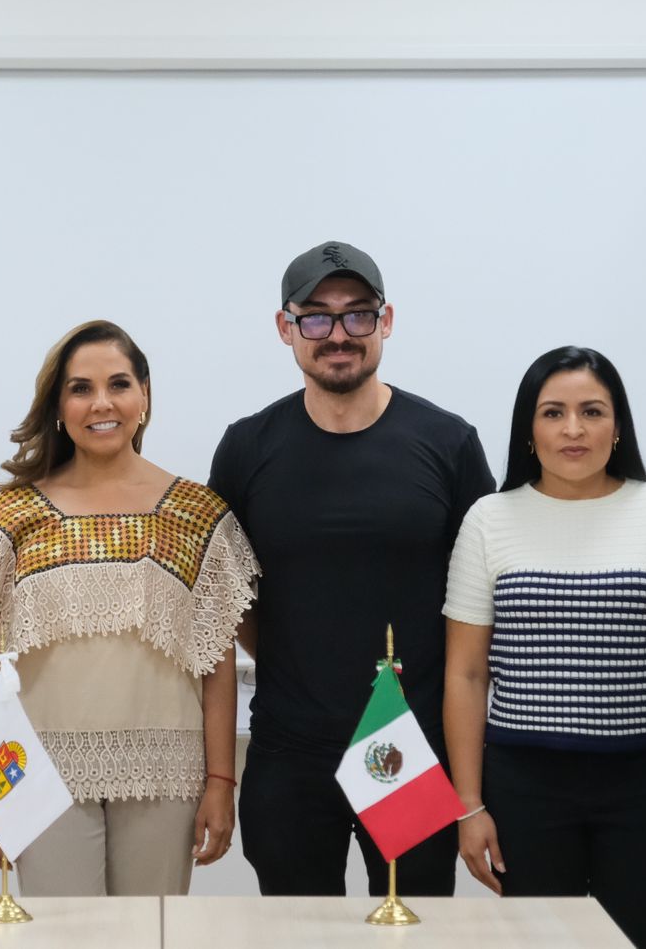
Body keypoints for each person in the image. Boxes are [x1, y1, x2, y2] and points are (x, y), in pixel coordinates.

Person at [208, 242, 495, 897]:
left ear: (386, 321)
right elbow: (231, 599)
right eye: (316, 317)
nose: (338, 335)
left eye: (357, 315)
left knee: (413, 932)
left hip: (410, 747)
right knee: (298, 935)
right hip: (288, 752)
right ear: (286, 327)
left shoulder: (448, 444)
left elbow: (478, 609)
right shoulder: (248, 447)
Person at [0, 320, 258, 896]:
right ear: (58, 405)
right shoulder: (14, 514)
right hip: (34, 769)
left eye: (118, 384)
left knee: (149, 936)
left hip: (166, 771)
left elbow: (218, 661)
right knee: (63, 938)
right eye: (80, 388)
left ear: (144, 395)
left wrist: (222, 780)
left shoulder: (196, 513)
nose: (102, 403)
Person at [442, 346, 646, 949]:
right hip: (523, 786)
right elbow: (465, 673)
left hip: (645, 785)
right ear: (528, 429)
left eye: (593, 411)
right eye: (553, 413)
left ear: (618, 426)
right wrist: (468, 805)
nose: (574, 429)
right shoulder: (489, 519)